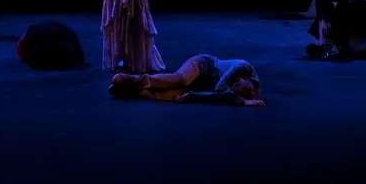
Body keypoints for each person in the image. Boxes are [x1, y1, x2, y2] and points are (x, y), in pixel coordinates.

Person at [108, 54, 265, 107]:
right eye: (235, 84)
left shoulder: (251, 91)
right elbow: (220, 90)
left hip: (200, 85)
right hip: (201, 65)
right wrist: (242, 101)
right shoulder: (242, 67)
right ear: (242, 78)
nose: (233, 86)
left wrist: (194, 96)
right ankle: (136, 80)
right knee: (181, 80)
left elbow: (219, 95)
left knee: (176, 96)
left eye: (234, 88)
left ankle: (129, 90)